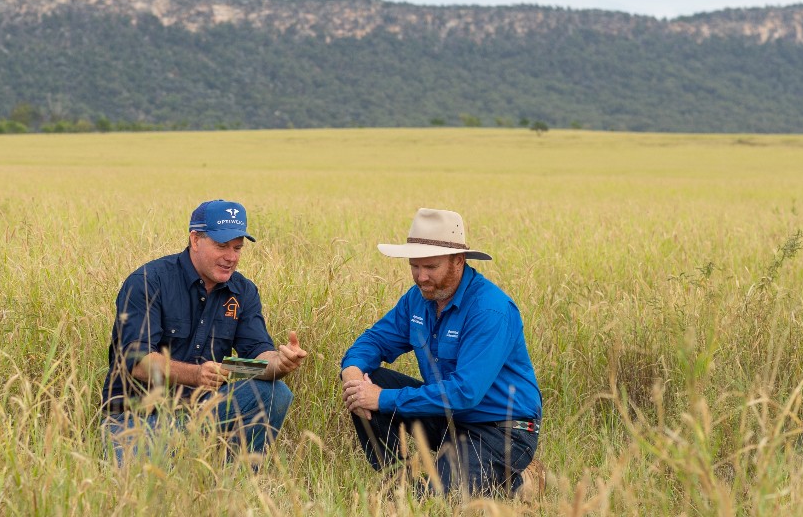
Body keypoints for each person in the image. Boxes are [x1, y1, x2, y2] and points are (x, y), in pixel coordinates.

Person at [340, 208, 543, 496]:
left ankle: (516, 482)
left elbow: (465, 393)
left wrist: (382, 398)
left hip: (501, 429)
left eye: (431, 268)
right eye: (414, 266)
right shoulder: (418, 299)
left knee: (439, 502)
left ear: (458, 261)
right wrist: (353, 373)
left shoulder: (490, 310)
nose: (421, 277)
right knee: (367, 382)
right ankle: (398, 485)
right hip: (448, 418)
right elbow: (374, 340)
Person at [102, 199, 307, 465]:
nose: (231, 257)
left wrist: (279, 363)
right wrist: (196, 374)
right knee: (145, 491)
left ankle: (237, 479)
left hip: (203, 413)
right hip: (137, 416)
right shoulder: (148, 282)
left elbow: (256, 359)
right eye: (221, 246)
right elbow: (137, 363)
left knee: (275, 392)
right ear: (195, 240)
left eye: (237, 248)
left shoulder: (243, 291)